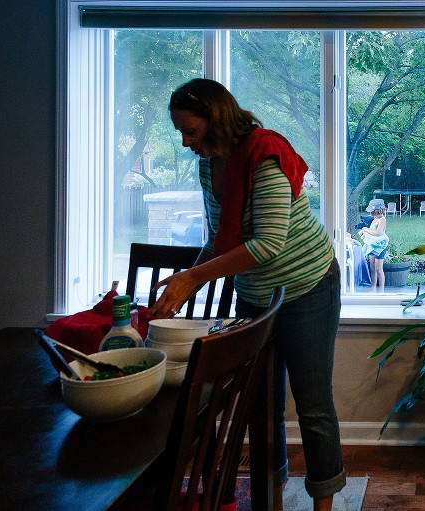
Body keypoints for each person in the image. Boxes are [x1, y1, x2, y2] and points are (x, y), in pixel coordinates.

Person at [149, 78, 345, 511]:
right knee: (261, 403)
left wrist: (194, 278)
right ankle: (271, 498)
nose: (185, 143)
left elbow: (268, 243)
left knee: (312, 404)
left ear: (216, 119)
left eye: (190, 132)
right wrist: (187, 280)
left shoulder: (264, 157)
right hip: (256, 295)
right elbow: (221, 239)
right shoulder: (208, 166)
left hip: (309, 289)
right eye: (180, 133)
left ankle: (324, 507)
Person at [359, 199, 389, 292]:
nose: (371, 213)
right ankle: (373, 287)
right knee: (372, 268)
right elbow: (371, 231)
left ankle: (381, 290)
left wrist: (366, 229)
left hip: (379, 247)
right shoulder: (373, 219)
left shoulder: (382, 219)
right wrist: (363, 231)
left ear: (378, 210)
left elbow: (377, 232)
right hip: (372, 245)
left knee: (379, 269)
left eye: (372, 211)